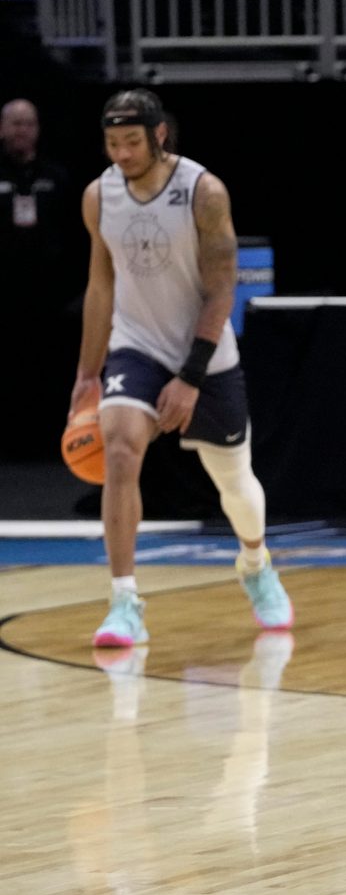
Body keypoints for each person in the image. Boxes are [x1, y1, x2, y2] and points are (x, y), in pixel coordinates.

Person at [75, 89, 292, 647]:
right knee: (120, 447)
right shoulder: (99, 196)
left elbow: (222, 291)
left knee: (236, 486)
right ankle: (124, 601)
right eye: (111, 143)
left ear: (160, 136)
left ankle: (255, 562)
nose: (120, 154)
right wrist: (87, 374)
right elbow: (101, 286)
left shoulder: (204, 192)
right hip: (137, 345)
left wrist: (191, 377)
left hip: (205, 354)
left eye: (130, 142)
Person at [1, 97, 81, 457]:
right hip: (4, 293)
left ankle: (53, 446)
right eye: (14, 123)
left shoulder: (57, 176)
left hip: (50, 297)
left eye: (28, 123)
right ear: (2, 129)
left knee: (48, 372)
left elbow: (76, 236)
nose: (21, 130)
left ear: (38, 130)